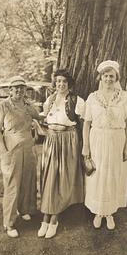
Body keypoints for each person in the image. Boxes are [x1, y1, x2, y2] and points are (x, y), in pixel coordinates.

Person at [82, 60, 127, 230]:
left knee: (112, 174)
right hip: (97, 139)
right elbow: (86, 124)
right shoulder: (92, 97)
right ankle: (98, 212)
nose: (108, 79)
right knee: (98, 174)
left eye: (112, 76)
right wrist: (86, 147)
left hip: (116, 140)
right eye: (105, 75)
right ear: (101, 77)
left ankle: (109, 212)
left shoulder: (124, 97)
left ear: (116, 77)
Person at [38, 69, 85, 238]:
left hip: (68, 140)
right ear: (55, 83)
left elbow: (83, 125)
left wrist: (84, 146)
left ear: (69, 84)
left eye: (64, 81)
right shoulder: (49, 100)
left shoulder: (76, 101)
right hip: (51, 140)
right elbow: (44, 120)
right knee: (49, 177)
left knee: (62, 178)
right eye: (58, 81)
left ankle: (54, 218)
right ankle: (45, 217)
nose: (61, 84)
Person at [0, 76, 40, 238]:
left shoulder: (28, 105)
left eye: (22, 87)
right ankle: (9, 222)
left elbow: (39, 116)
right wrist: (3, 150)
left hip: (28, 146)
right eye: (16, 88)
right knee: (13, 184)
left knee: (28, 180)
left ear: (25, 90)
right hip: (11, 147)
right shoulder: (4, 105)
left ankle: (25, 209)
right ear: (10, 90)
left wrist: (52, 102)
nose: (19, 90)